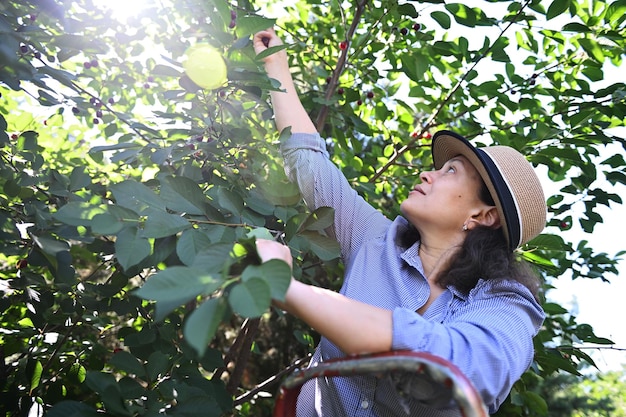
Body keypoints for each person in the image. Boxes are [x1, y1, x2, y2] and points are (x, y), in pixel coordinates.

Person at [252, 27, 546, 417]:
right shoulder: (376, 239)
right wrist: (276, 67)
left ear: (482, 215)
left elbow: (464, 373)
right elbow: (309, 163)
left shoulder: (507, 302)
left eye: (451, 172)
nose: (429, 174)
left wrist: (290, 291)